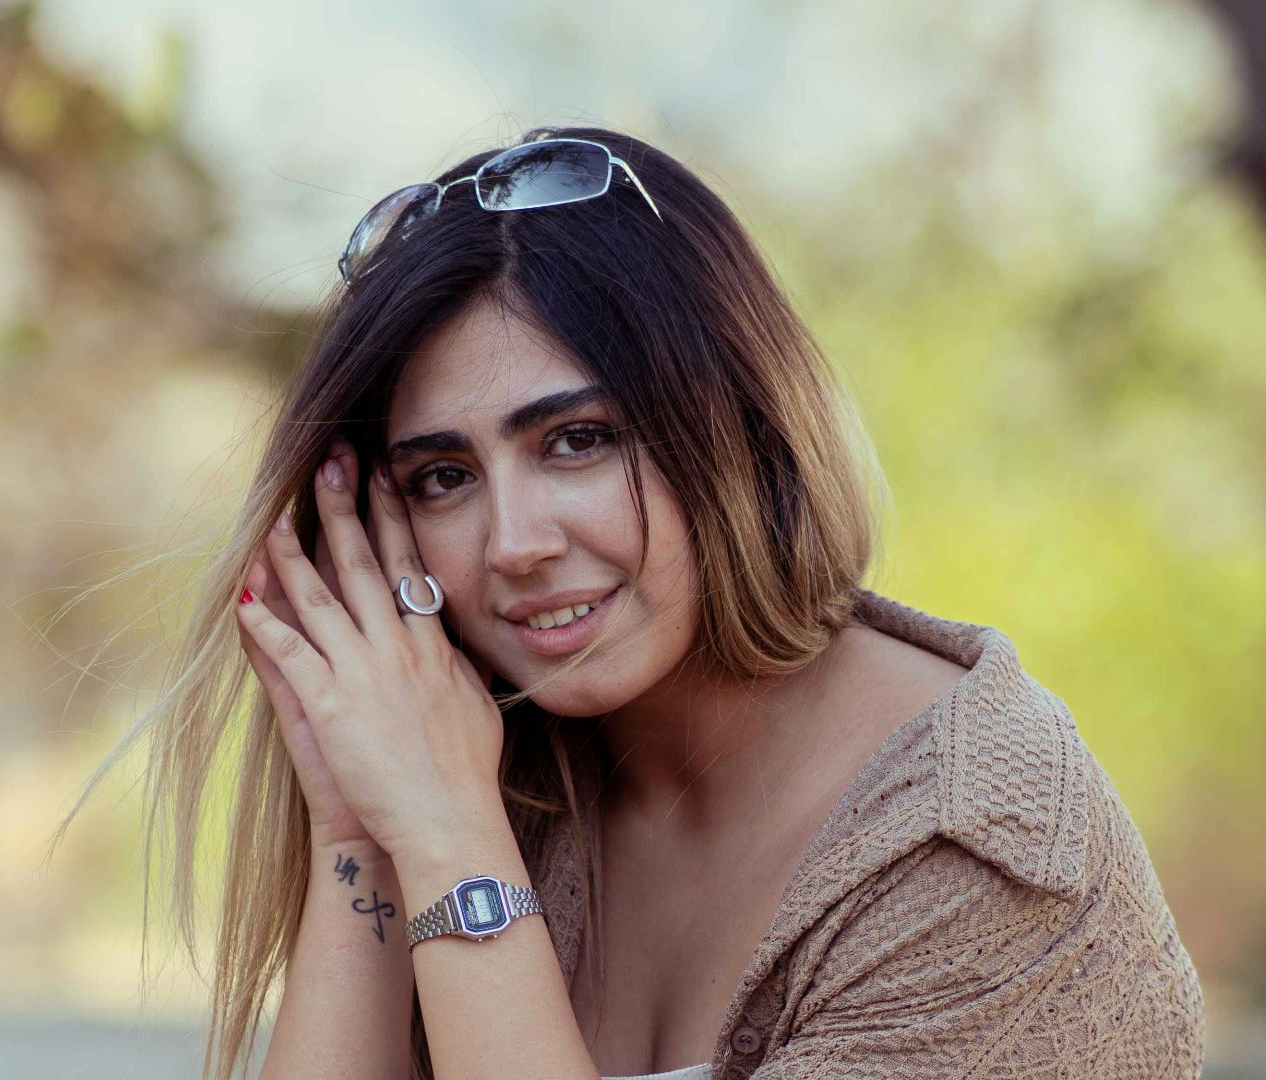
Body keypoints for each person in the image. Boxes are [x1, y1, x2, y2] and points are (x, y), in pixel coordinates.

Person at [85, 126, 1204, 1080]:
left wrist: (447, 839)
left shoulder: (981, 865)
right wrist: (363, 829)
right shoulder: (502, 777)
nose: (514, 545)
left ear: (736, 427)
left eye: (577, 441)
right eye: (444, 477)